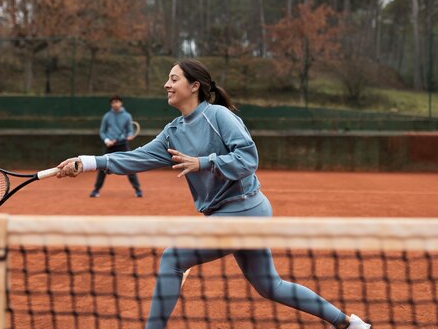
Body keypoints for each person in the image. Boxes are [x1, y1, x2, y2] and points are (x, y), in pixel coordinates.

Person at [56, 60, 370, 329]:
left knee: (173, 257)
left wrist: (204, 162)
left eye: (174, 79)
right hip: (230, 215)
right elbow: (135, 158)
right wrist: (86, 162)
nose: (166, 84)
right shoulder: (174, 131)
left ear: (194, 86)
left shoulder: (219, 116)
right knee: (270, 285)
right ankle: (349, 323)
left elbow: (249, 159)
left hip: (245, 210)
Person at [89, 95, 143, 198]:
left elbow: (130, 130)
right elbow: (102, 131)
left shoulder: (127, 116)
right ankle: (96, 190)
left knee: (130, 166)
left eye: (117, 102)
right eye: (113, 102)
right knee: (102, 167)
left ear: (121, 103)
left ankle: (137, 190)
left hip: (123, 145)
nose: (115, 104)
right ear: (111, 104)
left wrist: (128, 136)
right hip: (110, 146)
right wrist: (107, 140)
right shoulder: (107, 116)